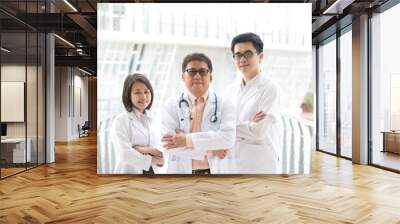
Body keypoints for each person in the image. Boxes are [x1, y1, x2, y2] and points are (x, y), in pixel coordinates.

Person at [161, 53, 236, 174]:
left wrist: (185, 139)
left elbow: (227, 139)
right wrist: (210, 150)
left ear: (210, 77)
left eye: (202, 71)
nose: (197, 76)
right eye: (191, 71)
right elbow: (168, 144)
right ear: (183, 76)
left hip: (214, 172)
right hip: (181, 173)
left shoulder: (225, 104)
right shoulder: (171, 105)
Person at [228, 32, 282, 174]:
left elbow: (258, 131)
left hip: (260, 165)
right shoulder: (230, 90)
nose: (242, 59)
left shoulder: (270, 89)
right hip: (233, 163)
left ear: (261, 56)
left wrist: (229, 128)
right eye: (238, 55)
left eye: (248, 54)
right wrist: (247, 125)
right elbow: (219, 126)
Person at [110, 73, 164, 174]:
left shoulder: (154, 120)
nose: (143, 96)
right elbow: (125, 154)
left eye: (146, 92)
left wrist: (146, 150)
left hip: (153, 172)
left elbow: (164, 149)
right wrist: (153, 159)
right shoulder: (121, 121)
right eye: (137, 93)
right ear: (128, 95)